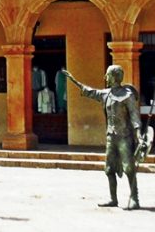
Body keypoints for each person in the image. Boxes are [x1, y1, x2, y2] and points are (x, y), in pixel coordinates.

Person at [62, 65, 144, 210]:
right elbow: (90, 92)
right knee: (109, 168)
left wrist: (138, 134)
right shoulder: (106, 94)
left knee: (129, 168)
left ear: (114, 76)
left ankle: (134, 198)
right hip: (111, 137)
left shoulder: (127, 95)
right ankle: (113, 198)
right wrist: (74, 81)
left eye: (107, 75)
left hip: (124, 136)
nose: (105, 78)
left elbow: (134, 115)